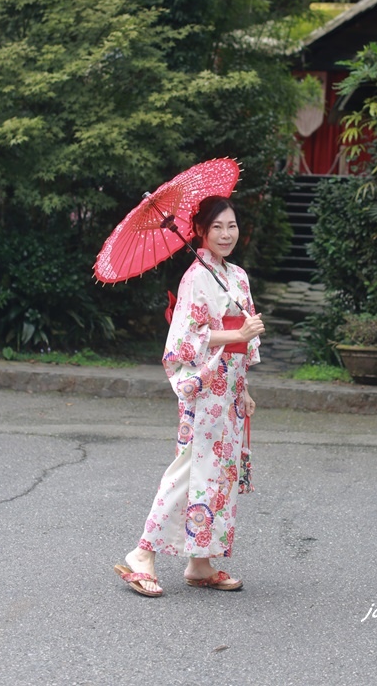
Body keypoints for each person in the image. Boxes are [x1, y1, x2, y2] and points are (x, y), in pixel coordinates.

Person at [114, 195, 264, 597]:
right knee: (187, 471)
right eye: (217, 227)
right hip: (203, 390)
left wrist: (244, 387)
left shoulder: (238, 277)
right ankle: (142, 553)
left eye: (231, 225)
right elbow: (185, 339)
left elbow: (242, 335)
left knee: (219, 477)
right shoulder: (196, 277)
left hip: (229, 391)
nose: (226, 234)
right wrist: (238, 334)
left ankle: (200, 561)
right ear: (200, 231)